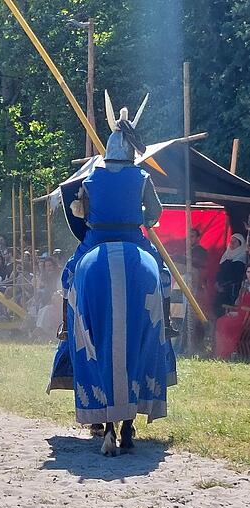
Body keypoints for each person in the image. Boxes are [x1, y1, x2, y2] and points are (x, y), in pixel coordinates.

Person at [58, 95, 176, 339]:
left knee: (70, 273)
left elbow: (82, 212)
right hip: (132, 237)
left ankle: (66, 326)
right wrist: (144, 220)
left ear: (110, 148)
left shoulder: (90, 179)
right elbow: (156, 212)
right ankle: (165, 321)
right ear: (130, 150)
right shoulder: (141, 177)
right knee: (162, 272)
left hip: (97, 238)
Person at [215, 265, 250, 359]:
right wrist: (236, 310)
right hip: (240, 313)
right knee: (220, 321)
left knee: (227, 325)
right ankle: (222, 353)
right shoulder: (245, 284)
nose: (249, 275)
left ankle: (228, 352)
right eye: (248, 272)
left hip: (247, 317)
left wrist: (240, 312)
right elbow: (238, 302)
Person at [214, 233, 247, 317]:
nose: (231, 244)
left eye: (235, 242)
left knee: (221, 306)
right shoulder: (226, 256)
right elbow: (220, 271)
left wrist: (223, 286)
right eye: (231, 241)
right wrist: (217, 282)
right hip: (221, 288)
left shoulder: (240, 260)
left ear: (240, 245)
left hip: (231, 291)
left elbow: (236, 278)